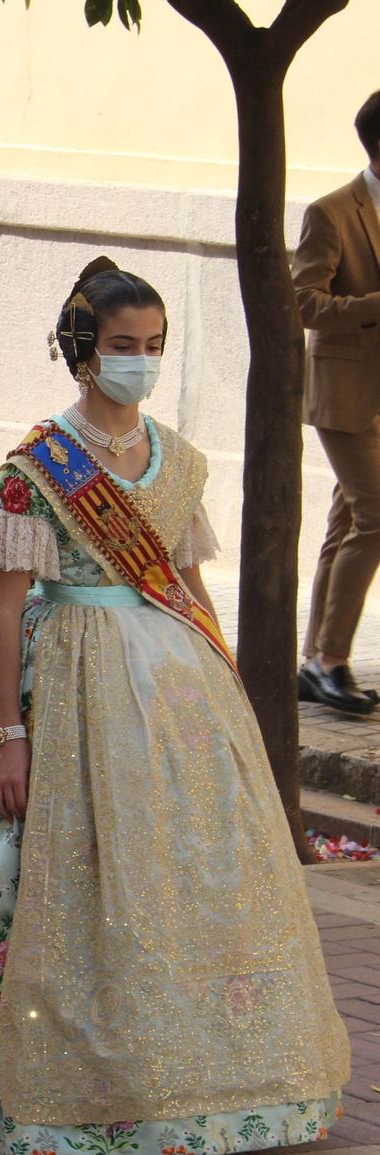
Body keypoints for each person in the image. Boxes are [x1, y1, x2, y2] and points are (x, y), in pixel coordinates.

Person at [0, 258, 350, 1155]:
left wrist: (221, 691)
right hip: (57, 673)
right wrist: (8, 732)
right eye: (121, 346)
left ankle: (196, 1082)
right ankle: (12, 1093)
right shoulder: (37, 467)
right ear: (81, 348)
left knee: (174, 878)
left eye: (152, 347)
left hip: (167, 689)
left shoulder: (179, 460)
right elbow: (4, 605)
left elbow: (187, 586)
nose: (139, 363)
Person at [296, 89, 380, 715]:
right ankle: (330, 661)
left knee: (349, 520)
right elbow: (304, 304)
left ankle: (313, 659)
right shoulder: (331, 213)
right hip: (345, 389)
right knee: (377, 518)